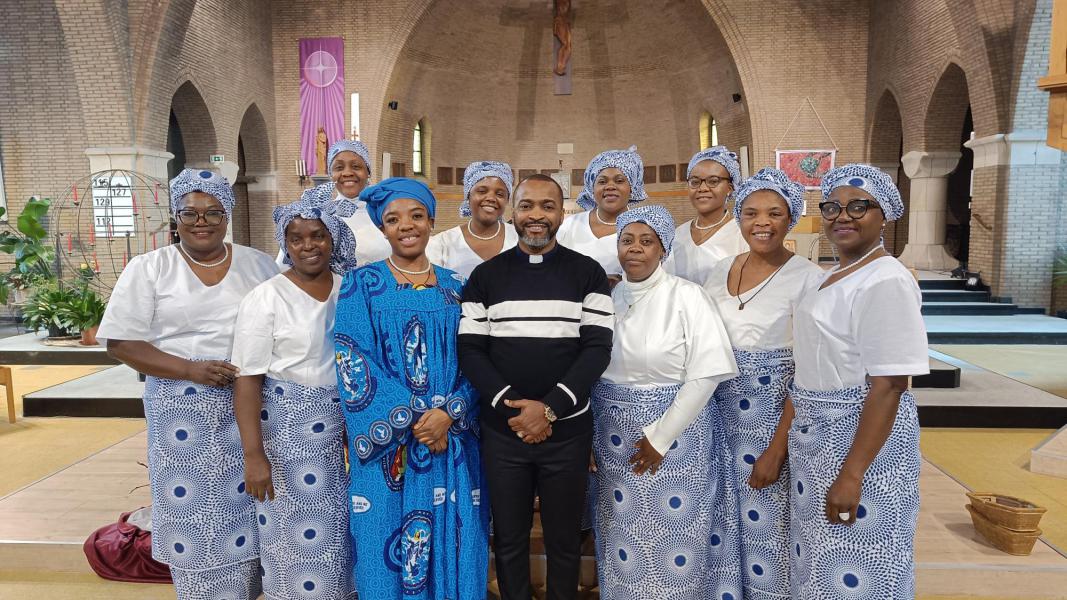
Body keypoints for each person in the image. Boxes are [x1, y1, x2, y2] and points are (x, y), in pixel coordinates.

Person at [97, 169, 278, 599]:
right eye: (190, 213)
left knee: (254, 507)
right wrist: (188, 369)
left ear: (227, 214)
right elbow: (120, 342)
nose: (202, 221)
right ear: (174, 218)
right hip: (180, 413)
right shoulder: (150, 268)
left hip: (252, 404)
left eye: (213, 211)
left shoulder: (258, 263)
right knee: (194, 510)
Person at [458, 174, 613, 600]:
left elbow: (597, 350)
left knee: (564, 541)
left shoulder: (588, 274)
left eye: (547, 206)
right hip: (503, 432)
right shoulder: (485, 277)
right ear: (514, 213)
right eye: (527, 206)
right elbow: (471, 351)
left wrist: (548, 410)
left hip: (567, 432)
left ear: (562, 213)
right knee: (508, 539)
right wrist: (516, 412)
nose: (536, 216)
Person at [334, 177, 488, 599]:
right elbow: (352, 358)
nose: (407, 226)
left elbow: (481, 359)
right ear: (382, 229)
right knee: (383, 547)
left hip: (452, 442)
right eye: (394, 219)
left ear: (431, 222)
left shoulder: (458, 286)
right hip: (391, 449)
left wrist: (449, 412)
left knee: (459, 542)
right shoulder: (361, 284)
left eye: (416, 216)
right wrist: (413, 419)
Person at [789, 164, 928, 598]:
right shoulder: (832, 274)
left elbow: (889, 384)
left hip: (860, 443)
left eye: (858, 206)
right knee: (822, 564)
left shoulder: (886, 280)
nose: (842, 216)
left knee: (861, 564)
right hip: (818, 440)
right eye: (832, 207)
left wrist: (852, 473)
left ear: (884, 214)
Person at [590, 204, 741, 600]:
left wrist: (661, 436)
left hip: (677, 443)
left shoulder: (687, 297)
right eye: (627, 240)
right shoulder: (606, 298)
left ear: (663, 249)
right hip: (612, 440)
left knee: (678, 540)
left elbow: (706, 373)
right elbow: (588, 369)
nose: (635, 249)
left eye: (646, 241)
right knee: (621, 537)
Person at [231, 191, 358, 599]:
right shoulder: (266, 297)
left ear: (333, 239)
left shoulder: (351, 289)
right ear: (284, 243)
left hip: (346, 428)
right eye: (297, 237)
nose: (308, 246)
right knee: (293, 538)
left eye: (318, 235)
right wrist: (254, 455)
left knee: (341, 532)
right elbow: (248, 379)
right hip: (287, 436)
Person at [704, 168, 821, 598]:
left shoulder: (808, 278)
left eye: (775, 213)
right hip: (714, 418)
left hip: (770, 423)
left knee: (766, 528)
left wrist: (777, 448)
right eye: (751, 212)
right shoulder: (720, 270)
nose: (762, 222)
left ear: (791, 219)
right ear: (738, 217)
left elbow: (807, 372)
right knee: (718, 524)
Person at [277, 139, 391, 268]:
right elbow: (284, 267)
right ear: (331, 174)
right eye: (339, 167)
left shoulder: (387, 213)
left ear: (368, 172)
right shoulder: (314, 217)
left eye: (356, 166)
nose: (347, 173)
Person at [556, 146, 648, 282]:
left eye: (619, 180)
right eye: (602, 181)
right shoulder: (570, 226)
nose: (610, 186)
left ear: (632, 187)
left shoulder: (646, 227)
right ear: (591, 188)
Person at [665, 146, 749, 285]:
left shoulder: (742, 234)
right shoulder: (677, 235)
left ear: (730, 187)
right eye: (695, 182)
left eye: (713, 181)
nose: (702, 188)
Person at [425, 160, 519, 278]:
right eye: (482, 191)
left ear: (507, 200)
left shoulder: (520, 240)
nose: (491, 198)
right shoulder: (442, 244)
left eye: (500, 194)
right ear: (468, 196)